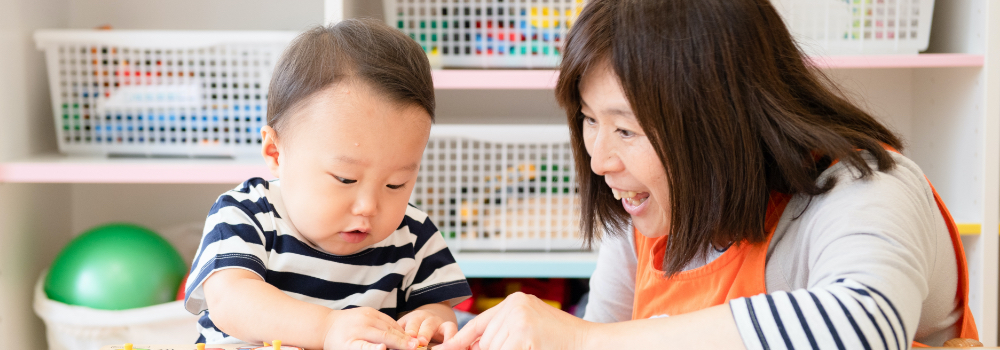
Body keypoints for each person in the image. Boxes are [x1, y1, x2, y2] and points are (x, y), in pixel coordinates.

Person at [437, 0, 978, 349]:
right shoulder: (646, 216)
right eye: (588, 120)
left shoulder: (867, 188)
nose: (600, 161)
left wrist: (584, 340)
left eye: (626, 131)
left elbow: (863, 326)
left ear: (721, 119)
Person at [182, 19, 472, 350]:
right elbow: (231, 301)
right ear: (276, 153)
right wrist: (326, 328)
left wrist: (430, 320)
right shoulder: (245, 215)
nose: (369, 206)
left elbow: (441, 310)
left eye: (396, 184)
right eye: (345, 179)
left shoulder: (413, 235)